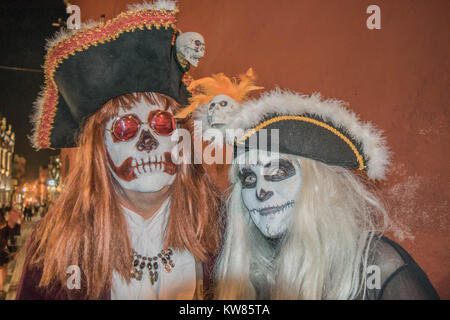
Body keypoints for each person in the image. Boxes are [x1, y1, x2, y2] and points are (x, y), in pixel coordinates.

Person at [17, 0, 221, 300]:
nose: (147, 140)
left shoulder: (224, 227)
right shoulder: (55, 242)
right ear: (99, 151)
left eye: (161, 122)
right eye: (125, 127)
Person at [190, 86, 439, 299]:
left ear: (317, 184)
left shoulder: (377, 267)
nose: (261, 191)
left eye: (278, 172)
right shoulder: (252, 275)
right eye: (248, 178)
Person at [0, 214, 9, 300]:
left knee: (2, 269)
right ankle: (2, 288)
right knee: (4, 269)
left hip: (3, 250)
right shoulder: (6, 227)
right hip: (3, 250)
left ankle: (2, 288)